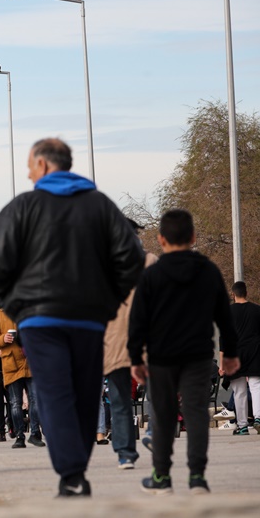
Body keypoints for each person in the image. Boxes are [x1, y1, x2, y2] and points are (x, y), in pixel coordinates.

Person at [0, 138, 144, 497]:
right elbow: (131, 256)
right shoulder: (101, 206)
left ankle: (71, 473)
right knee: (86, 393)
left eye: (29, 165)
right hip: (89, 319)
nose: (27, 173)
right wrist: (111, 300)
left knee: (54, 393)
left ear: (42, 165)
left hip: (40, 321)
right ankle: (75, 469)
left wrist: (9, 302)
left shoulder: (24, 207)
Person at [128, 208, 240, 494]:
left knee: (163, 416)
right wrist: (229, 352)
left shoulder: (152, 276)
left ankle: (162, 477)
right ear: (192, 237)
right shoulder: (208, 271)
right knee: (196, 414)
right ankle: (197, 477)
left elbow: (138, 320)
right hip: (198, 355)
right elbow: (224, 318)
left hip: (161, 358)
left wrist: (136, 357)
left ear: (161, 239)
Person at [102, 218, 158, 469]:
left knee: (120, 399)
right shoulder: (151, 262)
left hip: (114, 343)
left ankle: (125, 453)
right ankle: (155, 432)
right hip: (149, 338)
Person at [0, 309, 44, 449]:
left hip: (30, 362)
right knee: (15, 403)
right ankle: (20, 435)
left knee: (35, 399)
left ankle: (35, 434)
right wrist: (3, 339)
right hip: (11, 364)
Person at [227, 281, 260, 436]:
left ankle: (242, 426)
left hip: (235, 354)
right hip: (255, 352)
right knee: (256, 386)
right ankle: (259, 418)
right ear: (246, 292)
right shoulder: (257, 310)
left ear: (233, 294)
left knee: (239, 391)